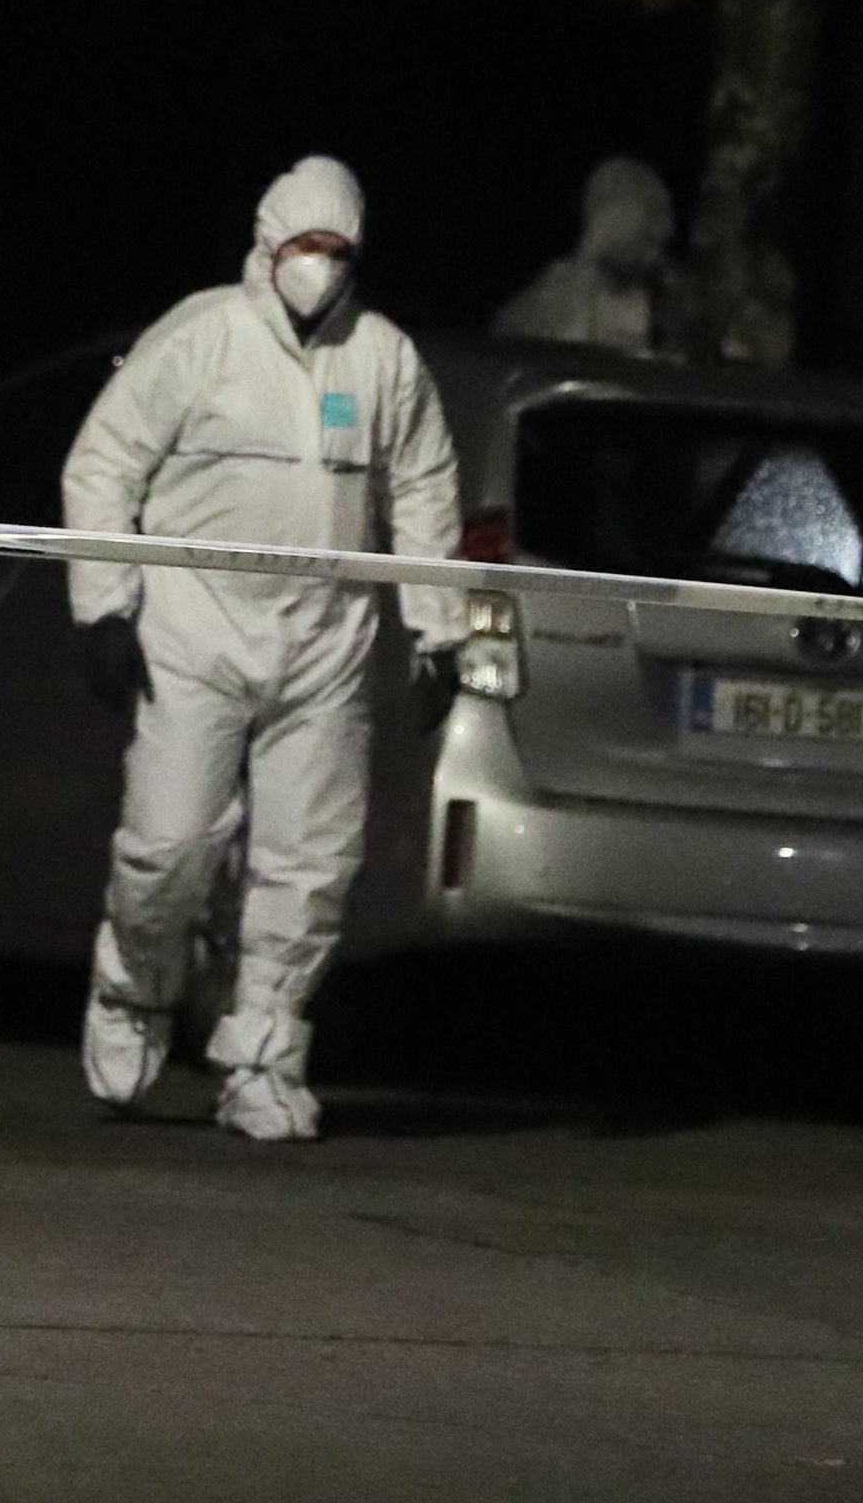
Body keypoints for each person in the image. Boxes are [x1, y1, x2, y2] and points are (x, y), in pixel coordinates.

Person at [63, 155, 466, 1141]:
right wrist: (104, 609)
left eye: (337, 250)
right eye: (304, 246)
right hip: (193, 630)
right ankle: (133, 994)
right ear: (267, 243)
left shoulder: (383, 361)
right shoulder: (201, 338)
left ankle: (264, 1057)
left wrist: (438, 629)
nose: (319, 267)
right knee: (167, 847)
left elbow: (423, 494)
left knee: (308, 866)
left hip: (324, 641)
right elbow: (103, 461)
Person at [490, 155, 680, 355]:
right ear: (617, 223)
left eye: (659, 246)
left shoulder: (642, 298)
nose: (656, 258)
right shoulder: (557, 298)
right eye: (647, 241)